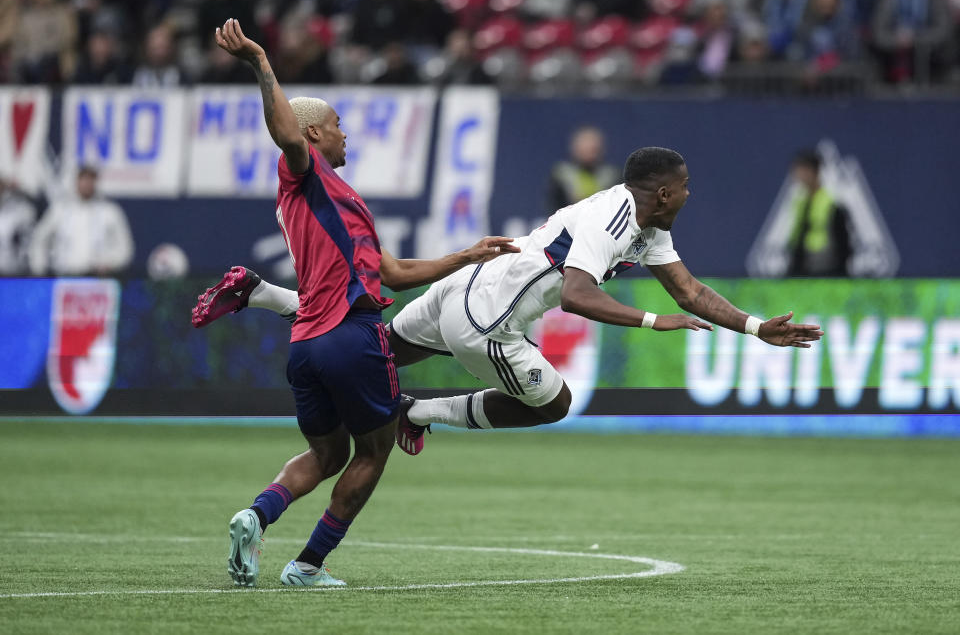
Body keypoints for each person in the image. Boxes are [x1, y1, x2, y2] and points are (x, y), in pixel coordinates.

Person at [194, 147, 824, 456]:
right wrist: (655, 321)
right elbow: (577, 296)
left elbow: (690, 288)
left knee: (369, 348)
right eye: (685, 187)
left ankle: (264, 293)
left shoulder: (648, 225)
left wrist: (755, 327)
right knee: (554, 403)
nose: (690, 194)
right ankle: (417, 416)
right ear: (661, 192)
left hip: (464, 285)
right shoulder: (615, 215)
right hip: (489, 319)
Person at [209, 18, 517, 589]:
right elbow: (287, 134)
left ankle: (257, 515)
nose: (345, 135)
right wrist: (260, 63)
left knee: (326, 456)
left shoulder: (339, 199)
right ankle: (307, 565)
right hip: (353, 335)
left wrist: (467, 256)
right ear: (316, 135)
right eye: (338, 125)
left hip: (305, 342)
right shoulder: (306, 173)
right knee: (374, 452)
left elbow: (393, 274)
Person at [29, 166, 133, 276]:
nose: (86, 184)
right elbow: (39, 239)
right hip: (65, 276)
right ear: (76, 181)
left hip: (98, 277)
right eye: (83, 179)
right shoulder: (60, 211)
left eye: (90, 180)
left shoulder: (109, 211)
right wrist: (40, 271)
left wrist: (110, 263)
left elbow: (125, 249)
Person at [786, 149, 852, 277]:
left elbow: (844, 244)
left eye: (801, 170)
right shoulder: (800, 203)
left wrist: (839, 273)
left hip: (827, 270)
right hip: (803, 271)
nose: (797, 175)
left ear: (812, 172)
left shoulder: (832, 204)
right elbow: (798, 239)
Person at [545, 126, 620, 215]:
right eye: (585, 148)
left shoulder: (612, 175)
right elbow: (554, 208)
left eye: (593, 149)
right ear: (575, 149)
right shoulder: (561, 175)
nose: (590, 154)